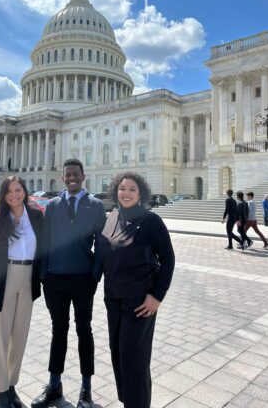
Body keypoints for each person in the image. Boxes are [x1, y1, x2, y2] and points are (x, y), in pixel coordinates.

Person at [32, 159, 106, 408]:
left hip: (84, 280)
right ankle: (54, 385)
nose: (72, 177)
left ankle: (86, 389)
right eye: (68, 174)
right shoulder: (52, 205)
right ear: (63, 178)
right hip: (55, 280)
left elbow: (102, 242)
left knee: (84, 330)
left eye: (76, 174)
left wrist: (95, 274)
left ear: (83, 177)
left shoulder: (96, 205)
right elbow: (44, 241)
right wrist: (43, 274)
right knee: (58, 331)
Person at [97, 172, 175, 408]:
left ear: (140, 193)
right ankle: (129, 402)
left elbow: (168, 258)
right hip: (114, 298)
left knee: (135, 360)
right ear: (115, 191)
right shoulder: (112, 216)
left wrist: (157, 296)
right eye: (122, 188)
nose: (126, 193)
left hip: (140, 302)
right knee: (118, 354)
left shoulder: (150, 221)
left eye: (132, 189)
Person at [0, 176, 43, 408]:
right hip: (3, 279)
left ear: (25, 192)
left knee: (19, 337)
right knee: (1, 338)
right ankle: (0, 391)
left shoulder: (36, 217)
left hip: (28, 279)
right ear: (3, 195)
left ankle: (11, 386)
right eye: (9, 191)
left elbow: (44, 249)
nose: (14, 195)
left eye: (18, 190)